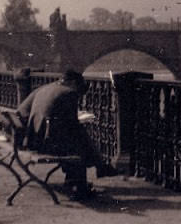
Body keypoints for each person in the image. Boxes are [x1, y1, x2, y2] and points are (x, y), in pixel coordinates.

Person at [17, 69, 112, 198]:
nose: (78, 91)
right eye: (78, 86)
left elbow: (21, 111)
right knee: (79, 139)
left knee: (75, 138)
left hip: (33, 140)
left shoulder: (45, 88)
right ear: (73, 82)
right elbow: (72, 124)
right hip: (46, 145)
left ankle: (88, 173)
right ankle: (85, 183)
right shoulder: (69, 92)